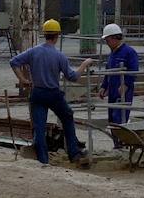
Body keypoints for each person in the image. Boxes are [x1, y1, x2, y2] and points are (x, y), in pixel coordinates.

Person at [10, 19, 93, 165]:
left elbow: (14, 62)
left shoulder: (33, 52)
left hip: (37, 93)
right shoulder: (59, 56)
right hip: (53, 94)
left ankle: (43, 160)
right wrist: (84, 65)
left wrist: (22, 79)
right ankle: (73, 153)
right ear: (57, 35)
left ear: (45, 34)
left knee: (39, 128)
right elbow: (73, 77)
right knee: (67, 116)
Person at [98, 23, 139, 141]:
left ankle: (122, 142)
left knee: (119, 118)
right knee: (112, 118)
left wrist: (126, 84)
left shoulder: (129, 52)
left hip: (123, 92)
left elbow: (134, 70)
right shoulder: (112, 54)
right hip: (113, 91)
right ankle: (117, 143)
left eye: (108, 40)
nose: (107, 42)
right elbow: (108, 71)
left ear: (115, 38)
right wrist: (104, 86)